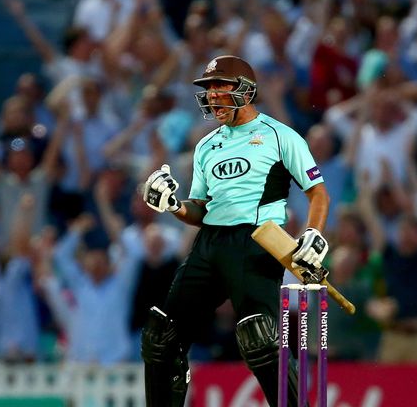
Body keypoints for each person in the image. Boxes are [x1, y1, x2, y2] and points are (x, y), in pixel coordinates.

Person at [139, 55, 331, 407]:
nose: (212, 95)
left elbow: (318, 193)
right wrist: (173, 204)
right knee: (162, 335)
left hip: (256, 241)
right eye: (209, 88)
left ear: (246, 90)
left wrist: (313, 234)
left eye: (220, 86)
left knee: (259, 337)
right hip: (208, 242)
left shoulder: (279, 135)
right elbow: (200, 210)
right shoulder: (206, 145)